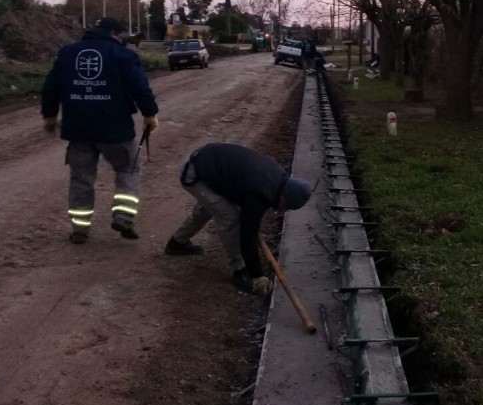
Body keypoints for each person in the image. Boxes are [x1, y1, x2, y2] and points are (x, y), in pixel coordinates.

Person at [41, 17, 159, 244]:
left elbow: (50, 87)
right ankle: (123, 215)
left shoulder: (67, 54)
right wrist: (150, 114)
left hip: (78, 129)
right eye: (123, 35)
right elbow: (139, 87)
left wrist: (49, 115)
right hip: (115, 129)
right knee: (128, 168)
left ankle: (79, 229)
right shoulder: (123, 55)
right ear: (115, 33)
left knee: (81, 178)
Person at [164, 142, 313, 295]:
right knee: (229, 217)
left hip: (207, 163)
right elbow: (248, 236)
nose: (283, 210)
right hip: (195, 171)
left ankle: (177, 243)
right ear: (284, 196)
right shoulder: (258, 195)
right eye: (286, 206)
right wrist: (257, 275)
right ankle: (239, 270)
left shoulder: (278, 178)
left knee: (208, 208)